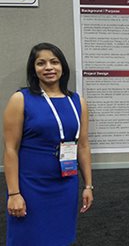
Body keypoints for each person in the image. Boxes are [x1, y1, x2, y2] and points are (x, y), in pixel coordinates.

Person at [3, 42, 94, 246]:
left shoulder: (77, 101)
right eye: (41, 63)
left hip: (66, 183)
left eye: (54, 62)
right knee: (28, 238)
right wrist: (14, 193)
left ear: (62, 67)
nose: (49, 67)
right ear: (33, 69)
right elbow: (10, 149)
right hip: (30, 185)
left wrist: (88, 185)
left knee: (61, 238)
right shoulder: (20, 99)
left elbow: (83, 146)